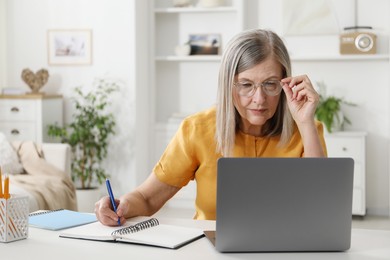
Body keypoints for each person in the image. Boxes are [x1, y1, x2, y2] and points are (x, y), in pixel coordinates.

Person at [95, 28, 327, 226]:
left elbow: (320, 206)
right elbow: (147, 198)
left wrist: (305, 121)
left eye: (270, 84)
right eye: (246, 84)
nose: (259, 98)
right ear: (228, 84)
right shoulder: (197, 129)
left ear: (286, 83)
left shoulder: (307, 130)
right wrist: (121, 205)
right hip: (209, 249)